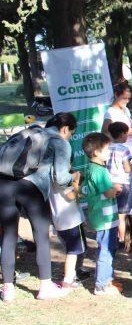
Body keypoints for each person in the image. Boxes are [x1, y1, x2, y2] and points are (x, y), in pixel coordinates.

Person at [0, 112, 78, 302]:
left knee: (9, 235)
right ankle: (45, 286)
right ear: (65, 129)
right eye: (70, 134)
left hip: (3, 184)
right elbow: (61, 177)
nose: (69, 137)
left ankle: (8, 288)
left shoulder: (26, 132)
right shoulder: (59, 141)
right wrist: (74, 178)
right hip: (32, 188)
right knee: (41, 235)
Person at [81, 132, 123, 297]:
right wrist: (116, 188)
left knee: (110, 247)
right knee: (106, 249)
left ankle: (108, 279)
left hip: (102, 216)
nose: (109, 152)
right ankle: (101, 285)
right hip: (104, 218)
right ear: (96, 152)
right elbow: (108, 193)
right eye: (107, 149)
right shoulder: (100, 171)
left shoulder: (92, 168)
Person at [49, 162, 86, 290]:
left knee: (73, 249)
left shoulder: (50, 175)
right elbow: (71, 196)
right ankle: (68, 279)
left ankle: (73, 273)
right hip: (72, 220)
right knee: (73, 251)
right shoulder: (63, 178)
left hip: (60, 220)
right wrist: (76, 181)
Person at [107, 122, 132, 244]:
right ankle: (122, 238)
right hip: (123, 183)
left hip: (109, 183)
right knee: (121, 214)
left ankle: (110, 236)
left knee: (111, 211)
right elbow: (127, 168)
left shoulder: (107, 148)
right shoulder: (125, 149)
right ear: (123, 134)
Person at [102, 82, 132, 150]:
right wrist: (126, 133)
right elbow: (105, 134)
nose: (127, 101)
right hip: (120, 151)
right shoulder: (110, 113)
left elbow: (128, 125)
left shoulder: (126, 109)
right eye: (124, 98)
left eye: (129, 98)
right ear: (116, 95)